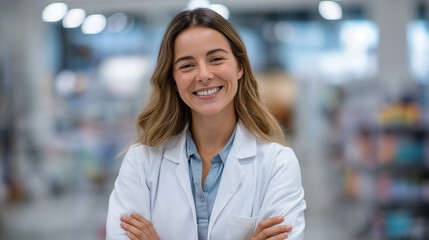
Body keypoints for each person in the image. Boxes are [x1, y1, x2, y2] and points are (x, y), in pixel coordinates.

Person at [106, 8, 306, 240]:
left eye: (216, 59)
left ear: (239, 67)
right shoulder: (141, 162)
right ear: (173, 78)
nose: (203, 75)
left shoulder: (277, 164)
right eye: (187, 65)